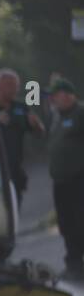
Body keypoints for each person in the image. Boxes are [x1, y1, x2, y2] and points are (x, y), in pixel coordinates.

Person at [47, 78, 84, 281]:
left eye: (56, 95)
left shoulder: (80, 113)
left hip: (78, 180)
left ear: (69, 95)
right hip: (61, 182)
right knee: (67, 224)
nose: (53, 100)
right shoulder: (57, 117)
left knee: (80, 222)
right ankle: (74, 264)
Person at [0, 68, 45, 209]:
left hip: (15, 170)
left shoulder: (21, 107)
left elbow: (39, 132)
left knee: (14, 209)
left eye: (16, 86)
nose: (14, 89)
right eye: (10, 85)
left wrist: (36, 125)